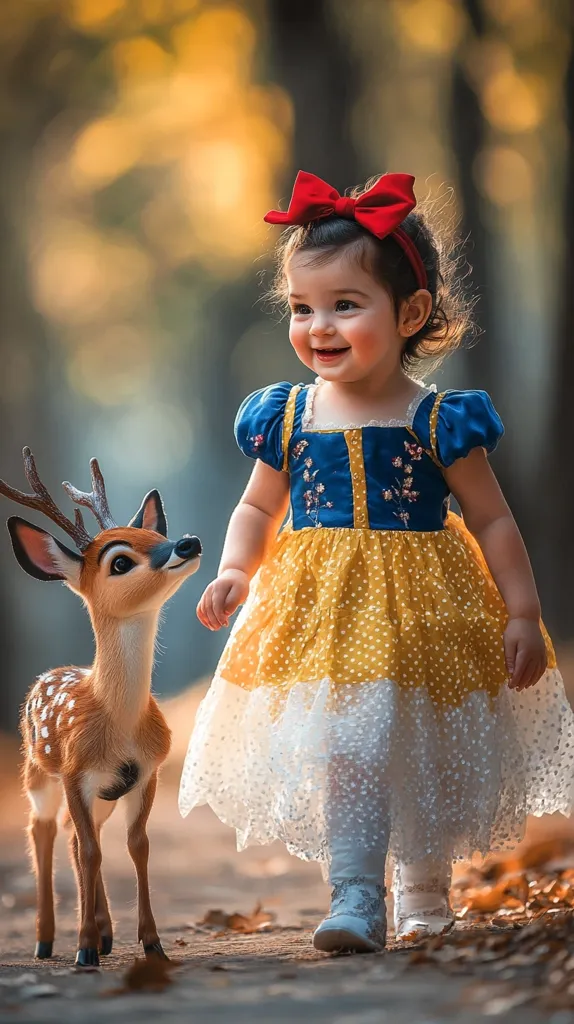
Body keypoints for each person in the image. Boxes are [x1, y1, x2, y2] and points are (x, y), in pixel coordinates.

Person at [179, 170, 574, 953]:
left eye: (345, 306)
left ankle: (422, 894)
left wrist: (522, 612)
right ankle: (355, 892)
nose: (318, 326)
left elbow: (492, 521)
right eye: (302, 307)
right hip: (324, 613)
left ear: (412, 313)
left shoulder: (435, 418)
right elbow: (258, 507)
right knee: (349, 748)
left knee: (413, 744)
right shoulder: (289, 415)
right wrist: (234, 569)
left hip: (426, 608)